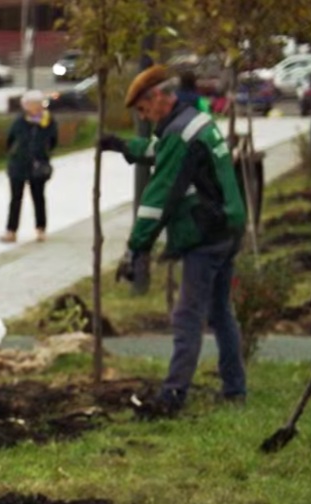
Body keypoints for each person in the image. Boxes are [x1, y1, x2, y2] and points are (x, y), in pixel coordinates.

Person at [101, 65, 248, 414]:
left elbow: (159, 199)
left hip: (206, 234)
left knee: (187, 315)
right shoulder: (191, 120)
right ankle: (234, 389)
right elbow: (158, 149)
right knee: (220, 311)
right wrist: (122, 146)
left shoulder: (181, 134)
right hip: (228, 225)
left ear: (157, 98)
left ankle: (173, 395)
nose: (143, 116)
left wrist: (135, 250)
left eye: (142, 109)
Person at [1, 91, 57, 244]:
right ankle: (11, 231)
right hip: (18, 165)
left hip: (38, 165)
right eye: (28, 104)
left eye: (34, 104)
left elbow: (53, 141)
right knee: (15, 199)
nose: (30, 107)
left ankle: (41, 229)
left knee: (38, 198)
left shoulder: (48, 121)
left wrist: (43, 153)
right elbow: (10, 140)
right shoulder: (20, 121)